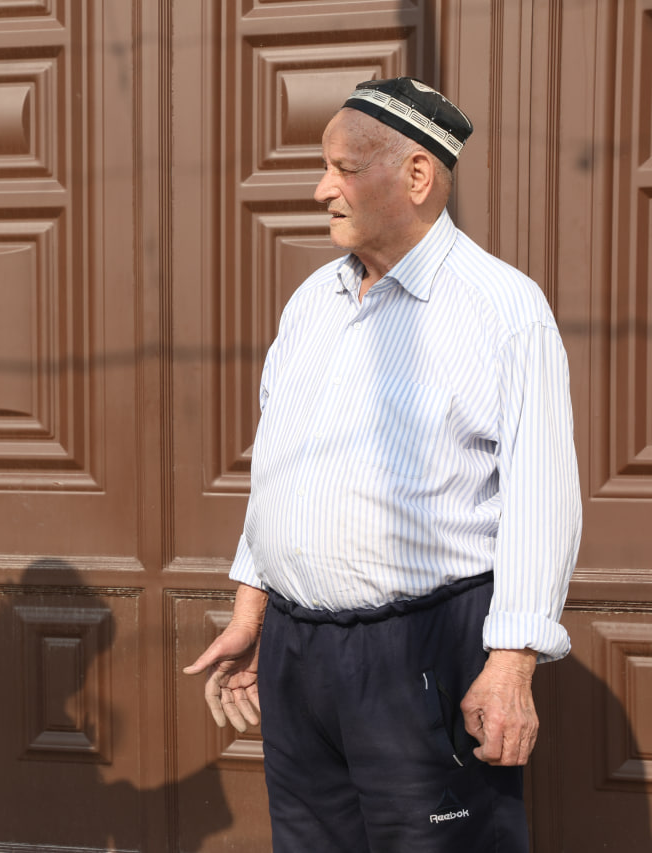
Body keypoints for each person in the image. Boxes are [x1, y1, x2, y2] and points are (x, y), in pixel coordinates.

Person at [183, 77, 582, 852]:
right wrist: (252, 610)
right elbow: (280, 468)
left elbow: (543, 501)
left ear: (417, 175)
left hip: (424, 653)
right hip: (298, 655)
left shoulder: (502, 310)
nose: (320, 189)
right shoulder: (312, 303)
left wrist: (511, 665)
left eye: (343, 168)